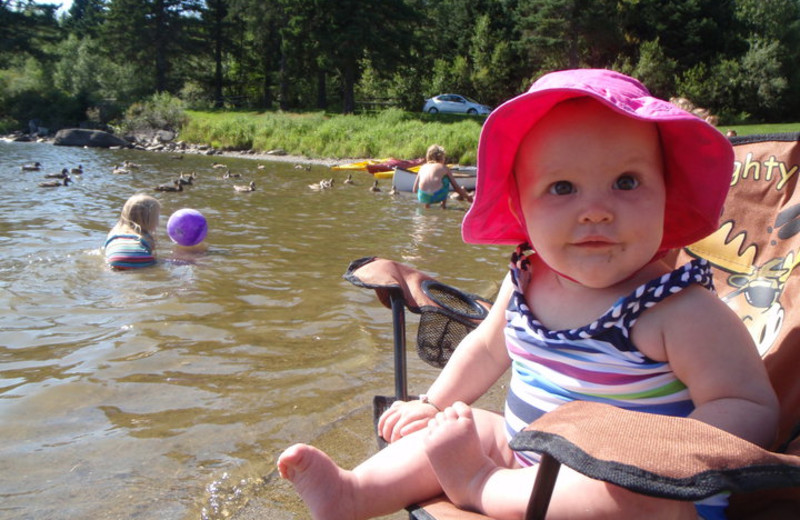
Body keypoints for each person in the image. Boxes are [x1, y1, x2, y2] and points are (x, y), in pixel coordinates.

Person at [277, 69, 779, 520]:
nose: (596, 210)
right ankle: (353, 493)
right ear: (520, 207)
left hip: (633, 491)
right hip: (524, 452)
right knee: (462, 425)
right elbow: (485, 348)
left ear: (667, 196)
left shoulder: (679, 309)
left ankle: (480, 485)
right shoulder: (526, 278)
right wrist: (433, 403)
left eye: (627, 181)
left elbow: (749, 404)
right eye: (562, 188)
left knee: (626, 496)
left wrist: (658, 457)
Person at [104, 193, 161, 269]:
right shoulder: (145, 236)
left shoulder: (113, 232)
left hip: (114, 260)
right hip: (142, 260)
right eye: (157, 217)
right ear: (150, 220)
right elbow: (153, 254)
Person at [412, 144, 474, 208]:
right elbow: (456, 187)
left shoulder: (422, 167)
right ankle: (443, 205)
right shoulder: (444, 167)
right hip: (437, 196)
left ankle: (427, 205)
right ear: (441, 157)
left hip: (422, 196)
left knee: (429, 187)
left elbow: (414, 190)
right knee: (445, 179)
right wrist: (468, 197)